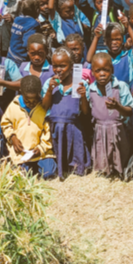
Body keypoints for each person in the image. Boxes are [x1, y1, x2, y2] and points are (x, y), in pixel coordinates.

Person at [81, 52, 133, 178]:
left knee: (120, 154)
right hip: (99, 129)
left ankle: (120, 173)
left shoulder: (120, 86)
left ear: (112, 70)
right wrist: (83, 97)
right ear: (92, 72)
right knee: (102, 155)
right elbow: (85, 112)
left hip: (118, 129)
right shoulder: (91, 89)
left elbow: (130, 111)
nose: (102, 74)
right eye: (98, 70)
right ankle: (105, 172)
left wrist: (118, 107)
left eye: (106, 70)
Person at [41, 47, 91, 179]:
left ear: (71, 66)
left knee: (76, 156)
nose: (58, 70)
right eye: (55, 66)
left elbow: (85, 112)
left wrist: (84, 96)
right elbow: (44, 108)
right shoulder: (49, 83)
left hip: (74, 127)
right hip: (55, 126)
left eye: (63, 66)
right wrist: (49, 91)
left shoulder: (80, 83)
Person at [1, 75, 57, 179]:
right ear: (21, 92)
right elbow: (5, 124)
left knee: (49, 174)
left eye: (34, 100)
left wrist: (41, 148)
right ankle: (29, 168)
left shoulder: (43, 108)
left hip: (41, 153)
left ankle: (38, 167)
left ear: (39, 94)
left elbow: (47, 131)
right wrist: (12, 137)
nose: (31, 103)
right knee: (20, 177)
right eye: (27, 101)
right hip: (21, 152)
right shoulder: (14, 106)